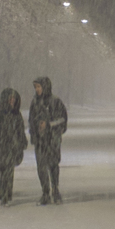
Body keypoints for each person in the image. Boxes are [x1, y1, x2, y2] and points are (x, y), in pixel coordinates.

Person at [28, 74, 68, 204]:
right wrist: (34, 133)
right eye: (36, 87)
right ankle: (45, 193)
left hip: (52, 140)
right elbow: (31, 120)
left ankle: (55, 190)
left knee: (53, 165)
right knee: (41, 167)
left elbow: (62, 119)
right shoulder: (35, 102)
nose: (37, 89)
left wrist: (49, 124)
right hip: (40, 141)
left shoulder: (55, 101)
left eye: (39, 86)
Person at [0, 86, 27, 204]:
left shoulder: (16, 115)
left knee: (9, 171)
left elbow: (20, 131)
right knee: (0, 171)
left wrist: (21, 143)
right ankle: (3, 191)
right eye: (10, 98)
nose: (12, 101)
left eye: (14, 99)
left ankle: (6, 193)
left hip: (11, 148)